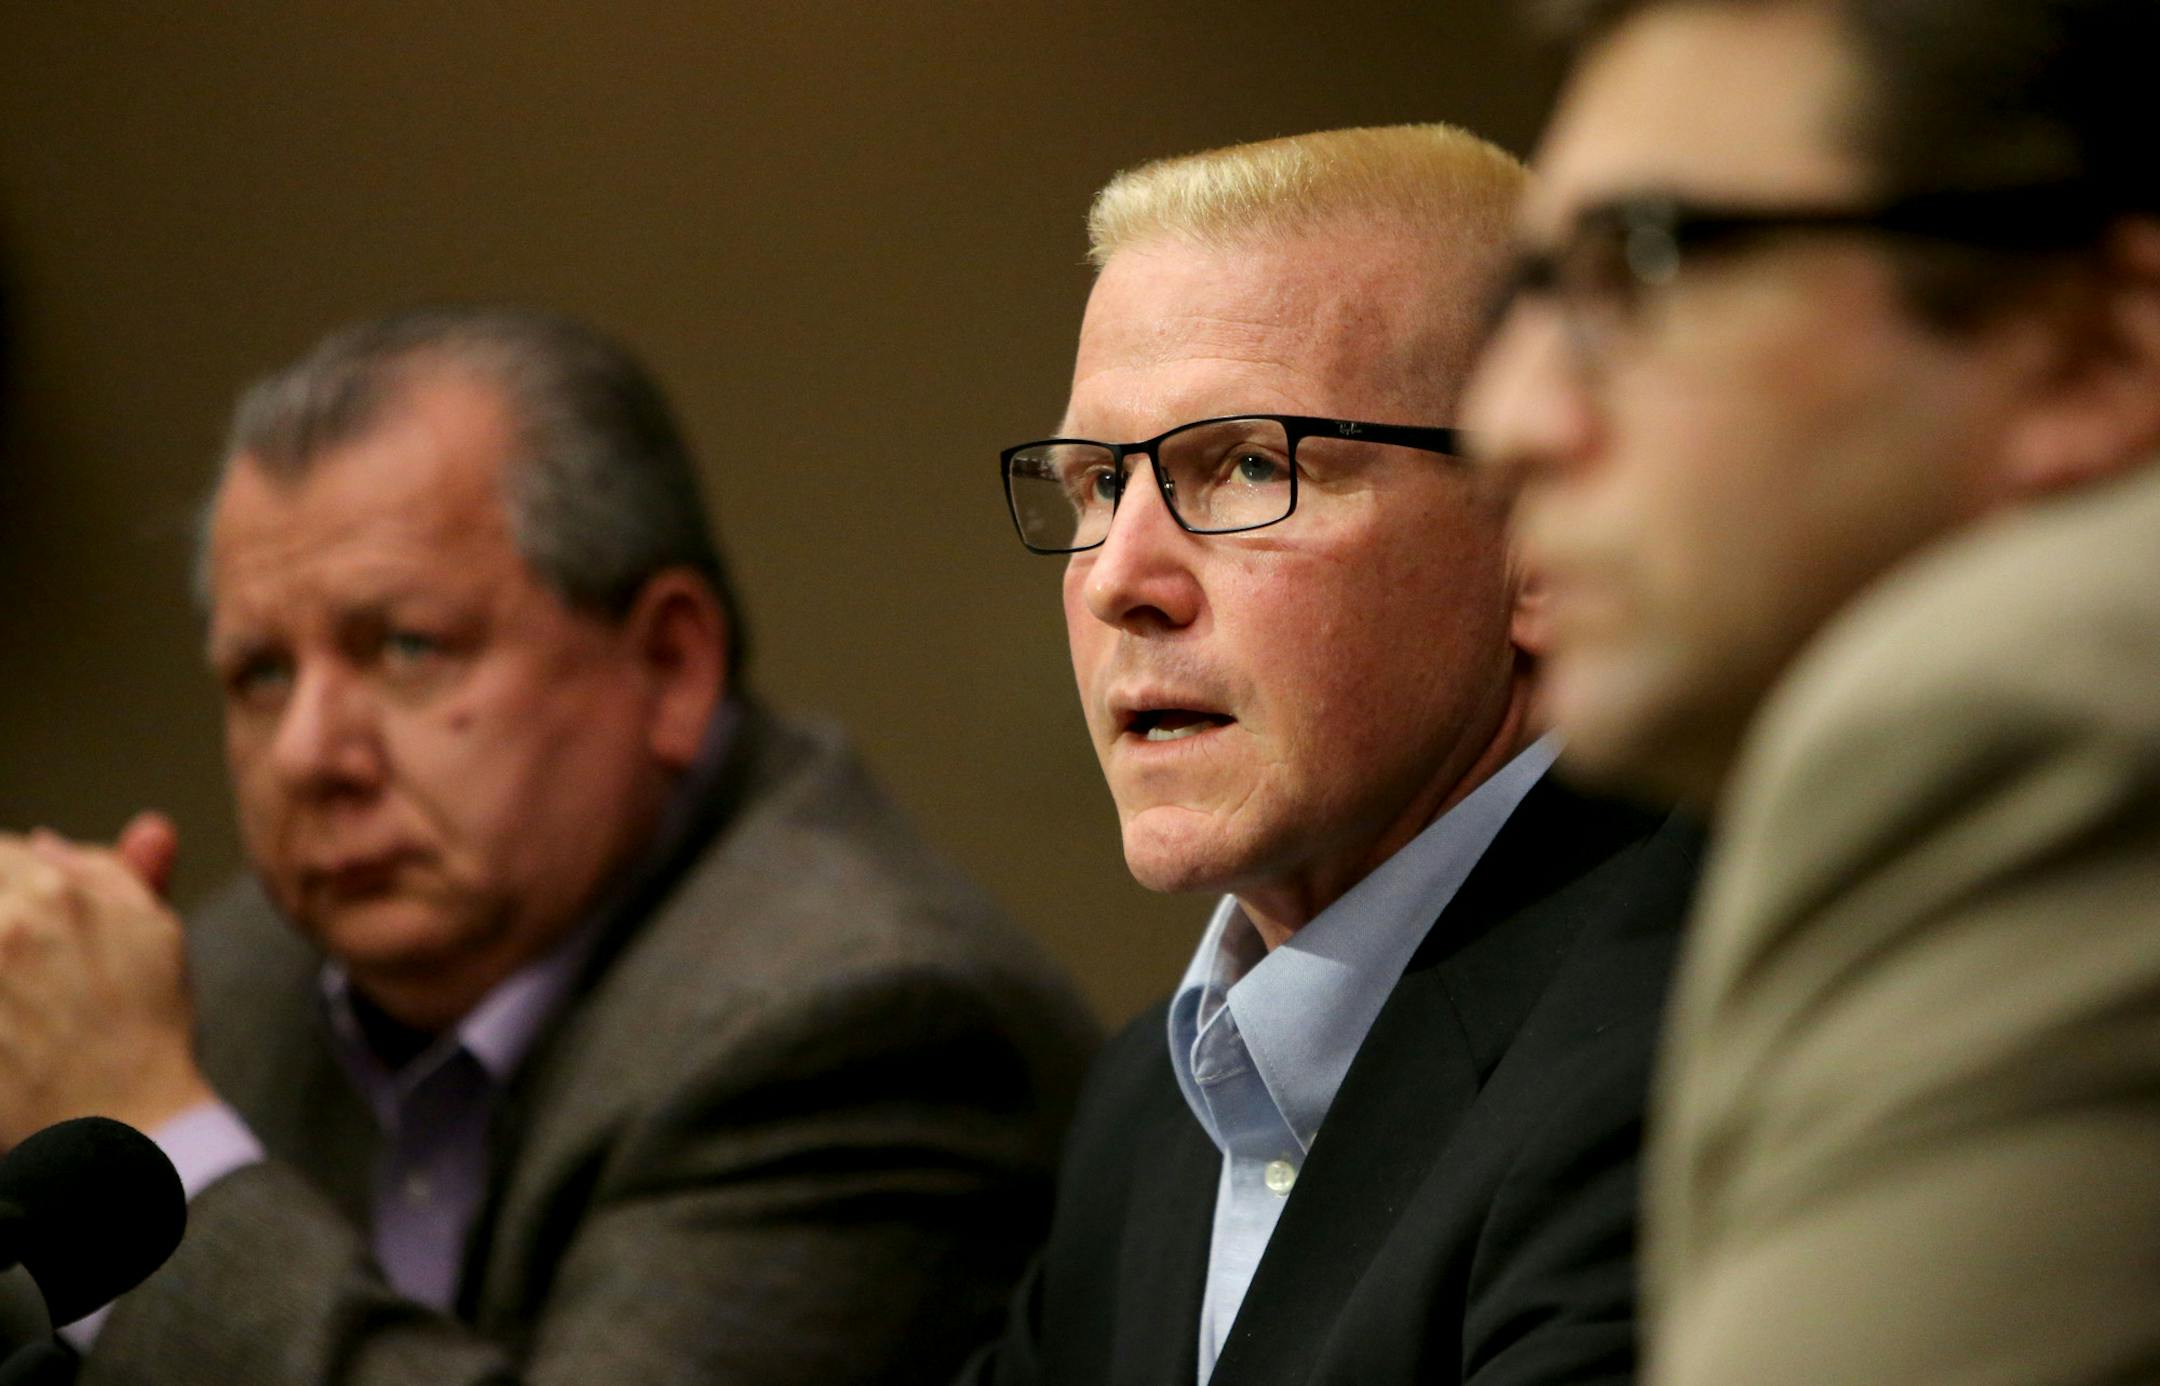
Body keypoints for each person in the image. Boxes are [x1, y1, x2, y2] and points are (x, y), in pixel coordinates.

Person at [0, 306, 1098, 1385]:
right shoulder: (239, 973)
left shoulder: (864, 1026)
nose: (305, 754)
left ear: (668, 668)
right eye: (262, 674)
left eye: (407, 647)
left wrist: (148, 1135)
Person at [1469, 0, 2160, 1380]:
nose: (1506, 421)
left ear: (2091, 350)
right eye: (1528, 298)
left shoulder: (2025, 713)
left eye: (1647, 265)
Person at [967, 125, 1702, 1386]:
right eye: (1096, 485)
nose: (1120, 582)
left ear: (1535, 533)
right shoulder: (1147, 1104)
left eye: (1247, 464)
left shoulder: (1682, 1032)